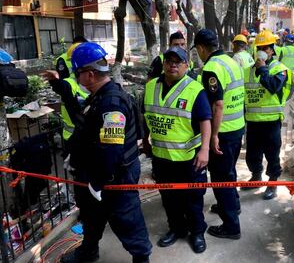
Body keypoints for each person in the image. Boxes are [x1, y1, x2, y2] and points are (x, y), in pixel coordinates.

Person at [61, 42, 152, 263]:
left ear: (90, 74)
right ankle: (88, 252)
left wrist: (98, 182)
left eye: (77, 73)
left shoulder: (112, 103)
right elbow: (88, 127)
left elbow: (111, 149)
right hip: (96, 175)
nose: (76, 78)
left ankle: (142, 259)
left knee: (127, 219)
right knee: (92, 218)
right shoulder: (99, 96)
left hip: (114, 177)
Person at [143, 47, 211, 253]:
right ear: (163, 63)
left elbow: (205, 121)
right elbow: (147, 114)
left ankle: (197, 232)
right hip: (162, 157)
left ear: (186, 65)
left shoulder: (194, 89)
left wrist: (205, 149)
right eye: (169, 60)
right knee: (169, 198)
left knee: (192, 199)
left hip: (189, 158)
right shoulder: (151, 86)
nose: (172, 64)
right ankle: (176, 229)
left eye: (178, 61)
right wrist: (146, 140)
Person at [193, 29, 245, 239]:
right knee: (229, 173)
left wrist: (213, 135)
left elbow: (219, 104)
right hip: (237, 127)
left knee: (222, 179)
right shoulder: (232, 61)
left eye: (197, 50)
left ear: (201, 48)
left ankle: (231, 226)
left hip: (223, 133)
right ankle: (233, 206)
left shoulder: (212, 67)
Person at [242, 30, 293, 200]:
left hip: (271, 122)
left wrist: (263, 68)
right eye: (259, 47)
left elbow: (272, 87)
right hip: (252, 121)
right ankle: (256, 177)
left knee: (272, 154)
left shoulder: (280, 70)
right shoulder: (247, 71)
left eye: (266, 48)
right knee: (252, 154)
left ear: (272, 50)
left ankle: (272, 183)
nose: (262, 50)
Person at [43, 42, 89, 149]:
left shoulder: (101, 85)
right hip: (74, 138)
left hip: (86, 140)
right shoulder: (72, 82)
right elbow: (63, 87)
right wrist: (55, 81)